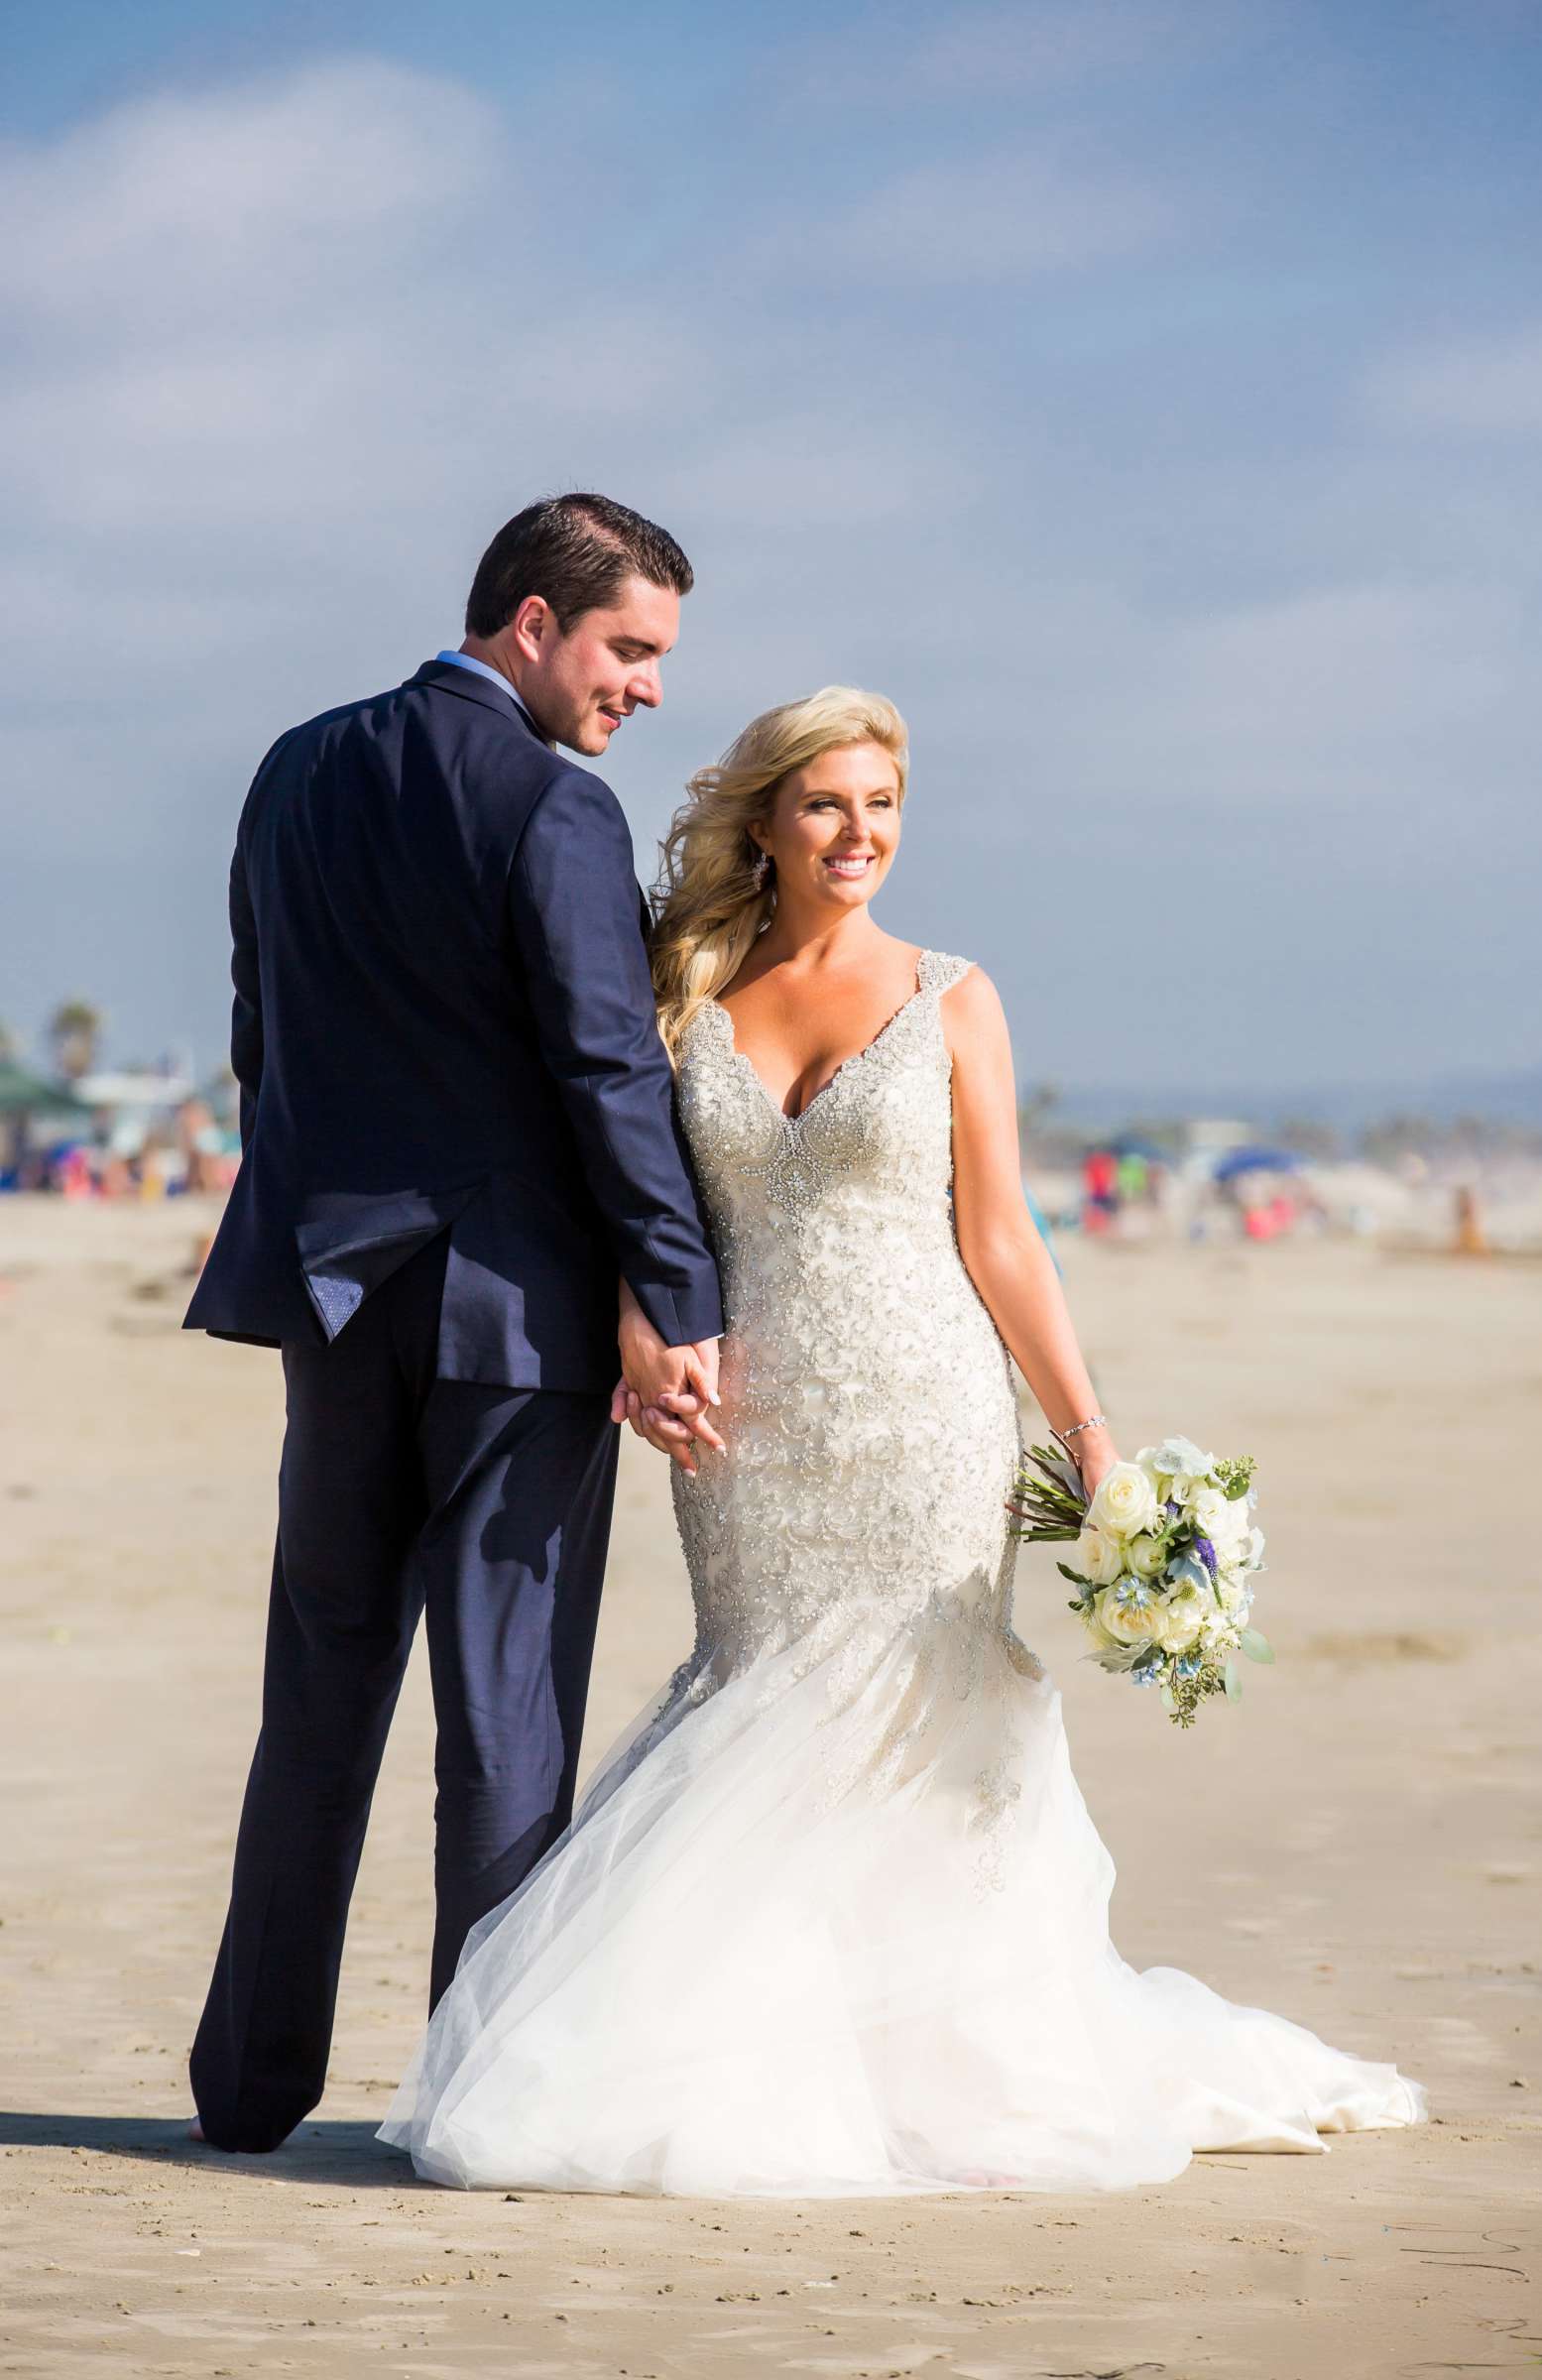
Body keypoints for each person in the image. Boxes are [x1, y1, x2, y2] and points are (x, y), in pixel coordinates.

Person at [382, 688, 1424, 2197]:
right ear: (768, 819)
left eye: (880, 805)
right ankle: (775, 2049)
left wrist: (1094, 1442)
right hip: (751, 1431)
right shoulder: (689, 990)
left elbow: (1001, 1236)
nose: (857, 833)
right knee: (767, 1704)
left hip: (929, 1413)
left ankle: (939, 2057)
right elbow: (632, 1197)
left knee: (912, 1714)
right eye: (825, 804)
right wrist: (635, 1325)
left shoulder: (952, 997)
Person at [182, 496, 725, 2155]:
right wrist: (676, 1293)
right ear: (532, 622)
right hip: (514, 1322)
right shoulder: (553, 807)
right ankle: (472, 2101)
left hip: (334, 1299)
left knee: (319, 1697)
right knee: (505, 1717)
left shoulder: (294, 768)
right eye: (630, 649)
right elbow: (603, 1070)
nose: (645, 691)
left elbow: (260, 1034)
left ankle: (249, 2089)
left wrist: (332, 1217)